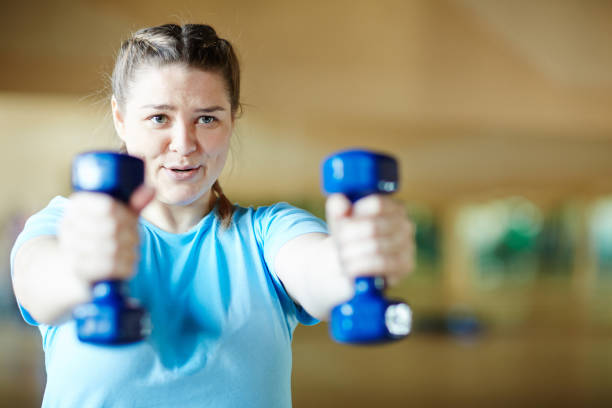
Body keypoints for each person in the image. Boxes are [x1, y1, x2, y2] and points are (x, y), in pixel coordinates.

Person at [10, 23, 415, 407]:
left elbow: (319, 269)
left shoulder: (268, 233)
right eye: (159, 118)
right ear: (120, 118)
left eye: (207, 118)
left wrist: (355, 258)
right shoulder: (67, 225)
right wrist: (80, 268)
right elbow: (37, 282)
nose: (184, 144)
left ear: (232, 119)